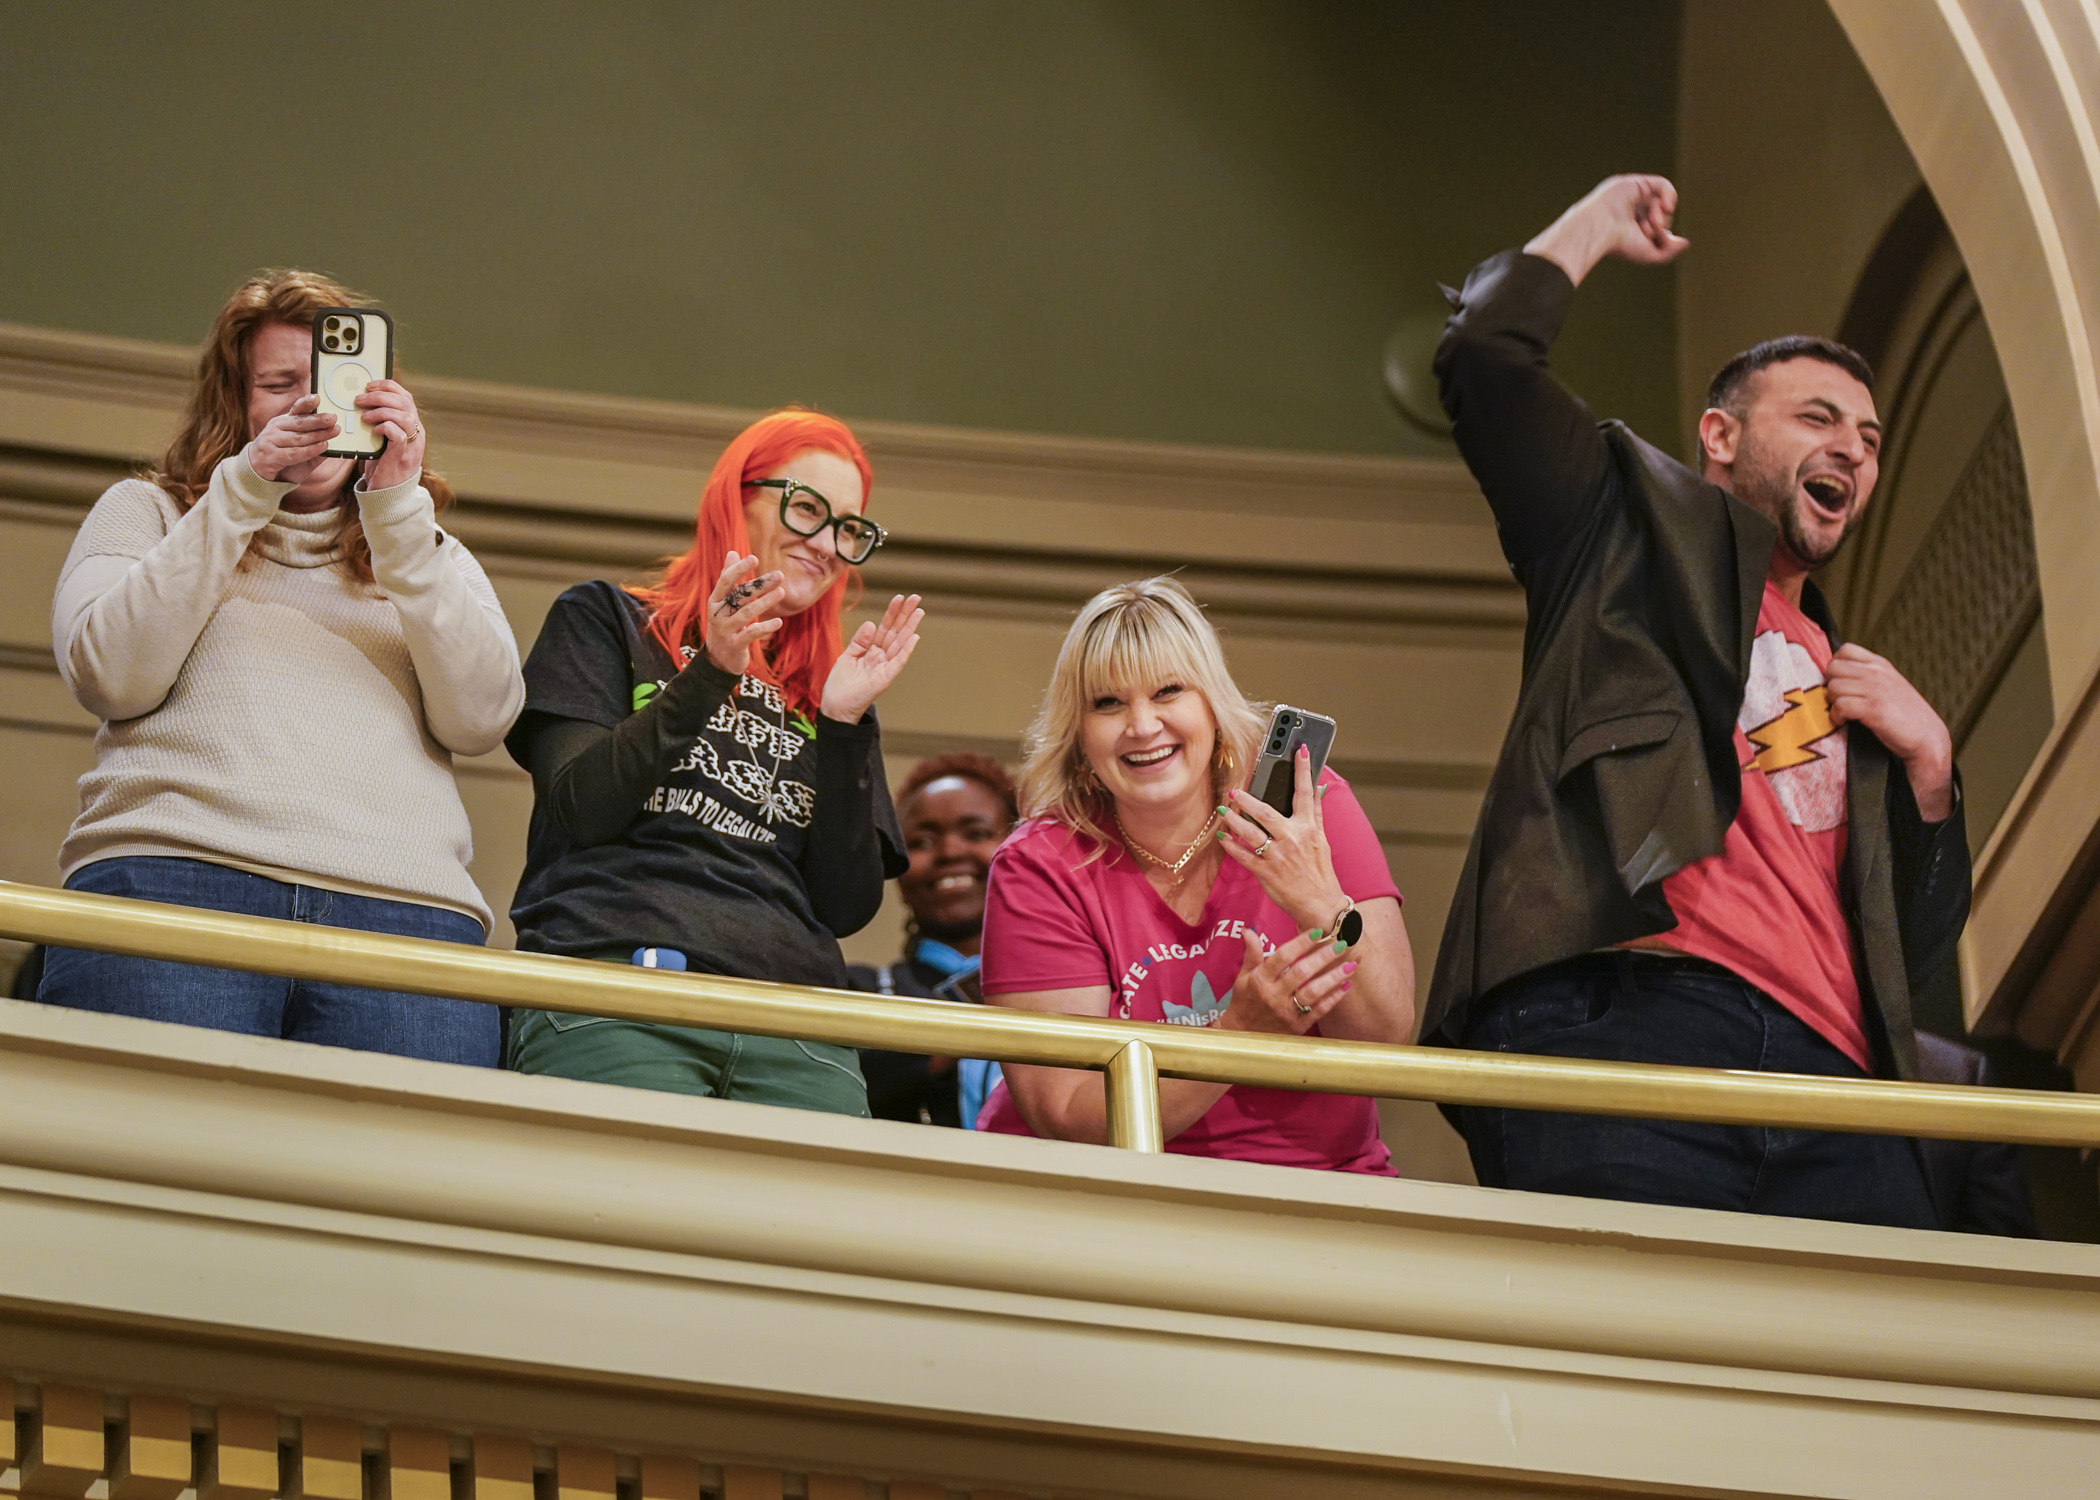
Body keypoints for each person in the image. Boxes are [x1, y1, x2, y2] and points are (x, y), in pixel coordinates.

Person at [1426, 175, 1971, 1226]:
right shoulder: (1617, 540)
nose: (1851, 450)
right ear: (1720, 437)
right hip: (1631, 1020)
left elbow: (1913, 942)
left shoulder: (1860, 680)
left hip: (1837, 1087)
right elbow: (1486, 356)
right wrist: (1593, 224)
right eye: (1818, 418)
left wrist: (1932, 769)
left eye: (1867, 439)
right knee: (1622, 1364)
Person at [39, 270, 522, 1064]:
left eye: (338, 380)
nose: (315, 405)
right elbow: (110, 675)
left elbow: (482, 717)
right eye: (279, 383)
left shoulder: (428, 554)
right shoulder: (149, 512)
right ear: (237, 402)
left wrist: (398, 516)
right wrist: (244, 492)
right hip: (177, 892)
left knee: (398, 1188)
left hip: (403, 919)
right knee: (155, 1172)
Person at [504, 409, 921, 1116]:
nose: (826, 544)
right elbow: (579, 807)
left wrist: (844, 724)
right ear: (738, 499)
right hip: (625, 995)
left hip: (800, 1032)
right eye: (808, 508)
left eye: (848, 528)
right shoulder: (606, 619)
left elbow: (844, 907)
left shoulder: (831, 688)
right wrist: (710, 675)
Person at [977, 577, 1415, 1170]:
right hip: (1114, 1196)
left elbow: (1386, 1041)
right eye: (1108, 703)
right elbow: (1067, 1114)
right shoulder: (1041, 862)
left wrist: (1318, 900)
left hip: (1322, 1185)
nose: (1141, 725)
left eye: (1167, 691)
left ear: (1210, 703)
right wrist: (1237, 1035)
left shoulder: (1314, 810)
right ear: (1079, 733)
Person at [847, 752, 1020, 1127]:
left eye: (976, 833)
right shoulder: (858, 991)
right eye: (922, 841)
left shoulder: (1078, 989)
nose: (951, 852)